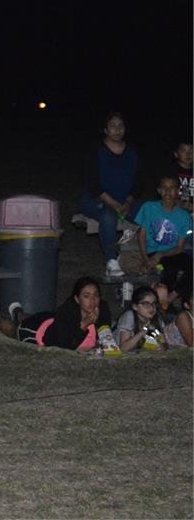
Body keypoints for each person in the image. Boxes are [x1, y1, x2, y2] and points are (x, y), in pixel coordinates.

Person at [0, 276, 112, 351]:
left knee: (29, 319)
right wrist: (84, 325)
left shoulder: (102, 309)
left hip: (48, 318)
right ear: (77, 299)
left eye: (96, 296)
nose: (92, 301)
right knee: (14, 331)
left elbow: (106, 338)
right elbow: (63, 347)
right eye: (86, 296)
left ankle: (19, 314)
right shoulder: (67, 313)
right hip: (39, 334)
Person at [79, 112, 140, 278]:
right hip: (97, 199)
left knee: (149, 212)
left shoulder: (132, 153)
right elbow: (92, 184)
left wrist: (127, 202)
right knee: (108, 216)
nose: (117, 129)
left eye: (120, 125)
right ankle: (112, 261)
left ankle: (146, 258)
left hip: (124, 200)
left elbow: (137, 184)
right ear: (105, 130)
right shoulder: (96, 151)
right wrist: (114, 204)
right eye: (113, 125)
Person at [133, 176, 192, 303]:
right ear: (159, 190)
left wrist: (161, 254)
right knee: (168, 270)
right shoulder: (149, 208)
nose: (168, 192)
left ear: (178, 192)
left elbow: (179, 247)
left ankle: (170, 298)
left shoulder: (184, 216)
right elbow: (141, 235)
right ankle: (163, 303)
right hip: (152, 253)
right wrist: (146, 259)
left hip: (171, 252)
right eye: (164, 188)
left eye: (172, 188)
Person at [113, 286, 170, 352]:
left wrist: (162, 347)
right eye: (146, 304)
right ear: (135, 306)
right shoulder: (129, 316)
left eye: (153, 303)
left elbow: (165, 343)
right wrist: (142, 333)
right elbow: (123, 348)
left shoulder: (156, 317)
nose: (151, 307)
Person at [170, 139, 192, 213]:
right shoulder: (171, 171)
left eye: (191, 150)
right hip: (175, 209)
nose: (188, 154)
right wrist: (182, 204)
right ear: (176, 154)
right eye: (183, 151)